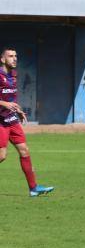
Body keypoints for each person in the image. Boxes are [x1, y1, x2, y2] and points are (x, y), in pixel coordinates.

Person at [0, 47, 54, 197]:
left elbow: (10, 98)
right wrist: (4, 104)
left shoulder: (14, 75)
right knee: (2, 156)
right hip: (0, 122)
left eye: (16, 56)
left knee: (24, 151)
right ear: (2, 59)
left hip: (11, 119)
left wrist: (17, 110)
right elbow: (5, 102)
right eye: (10, 56)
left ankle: (33, 188)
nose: (14, 58)